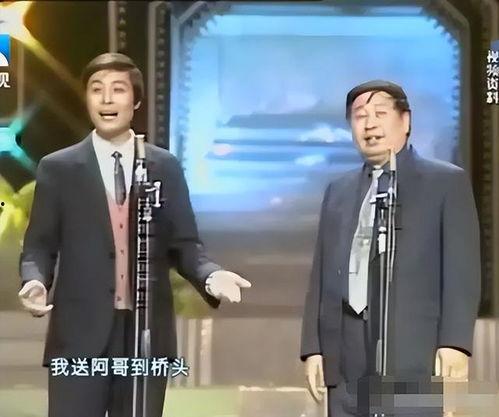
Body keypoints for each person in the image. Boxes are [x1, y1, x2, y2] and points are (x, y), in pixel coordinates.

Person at [18, 52, 251, 417]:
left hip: (145, 335)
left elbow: (185, 244)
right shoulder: (58, 169)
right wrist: (34, 281)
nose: (106, 99)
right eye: (97, 89)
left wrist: (211, 275)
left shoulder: (163, 166)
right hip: (78, 336)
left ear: (136, 101)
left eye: (118, 89)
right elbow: (39, 246)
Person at [300, 80, 481, 416]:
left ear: (405, 120)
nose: (369, 124)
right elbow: (321, 275)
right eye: (360, 117)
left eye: (380, 114)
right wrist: (314, 347)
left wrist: (455, 343)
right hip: (346, 359)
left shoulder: (445, 183)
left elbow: (462, 271)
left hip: (414, 355)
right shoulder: (338, 191)